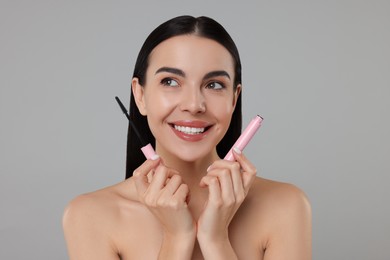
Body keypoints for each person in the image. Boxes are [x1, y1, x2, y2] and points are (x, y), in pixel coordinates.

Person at [62, 15, 312, 259]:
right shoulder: (89, 215)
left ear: (234, 99)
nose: (194, 105)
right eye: (170, 81)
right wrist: (177, 238)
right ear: (140, 95)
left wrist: (216, 240)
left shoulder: (286, 207)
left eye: (214, 85)